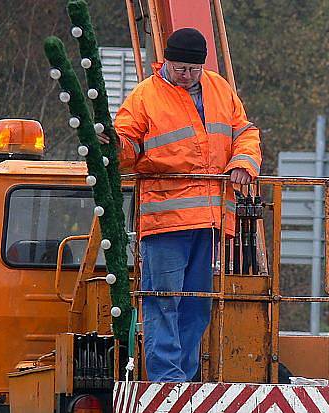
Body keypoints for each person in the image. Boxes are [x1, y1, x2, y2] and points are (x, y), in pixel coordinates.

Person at [102, 27, 261, 382]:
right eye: (179, 69)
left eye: (192, 70)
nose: (186, 76)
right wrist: (112, 146)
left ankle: (183, 379)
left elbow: (245, 133)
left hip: (210, 220)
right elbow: (127, 146)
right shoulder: (145, 96)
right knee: (164, 301)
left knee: (195, 306)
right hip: (166, 222)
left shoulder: (219, 88)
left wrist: (243, 162)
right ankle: (167, 380)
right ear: (166, 63)